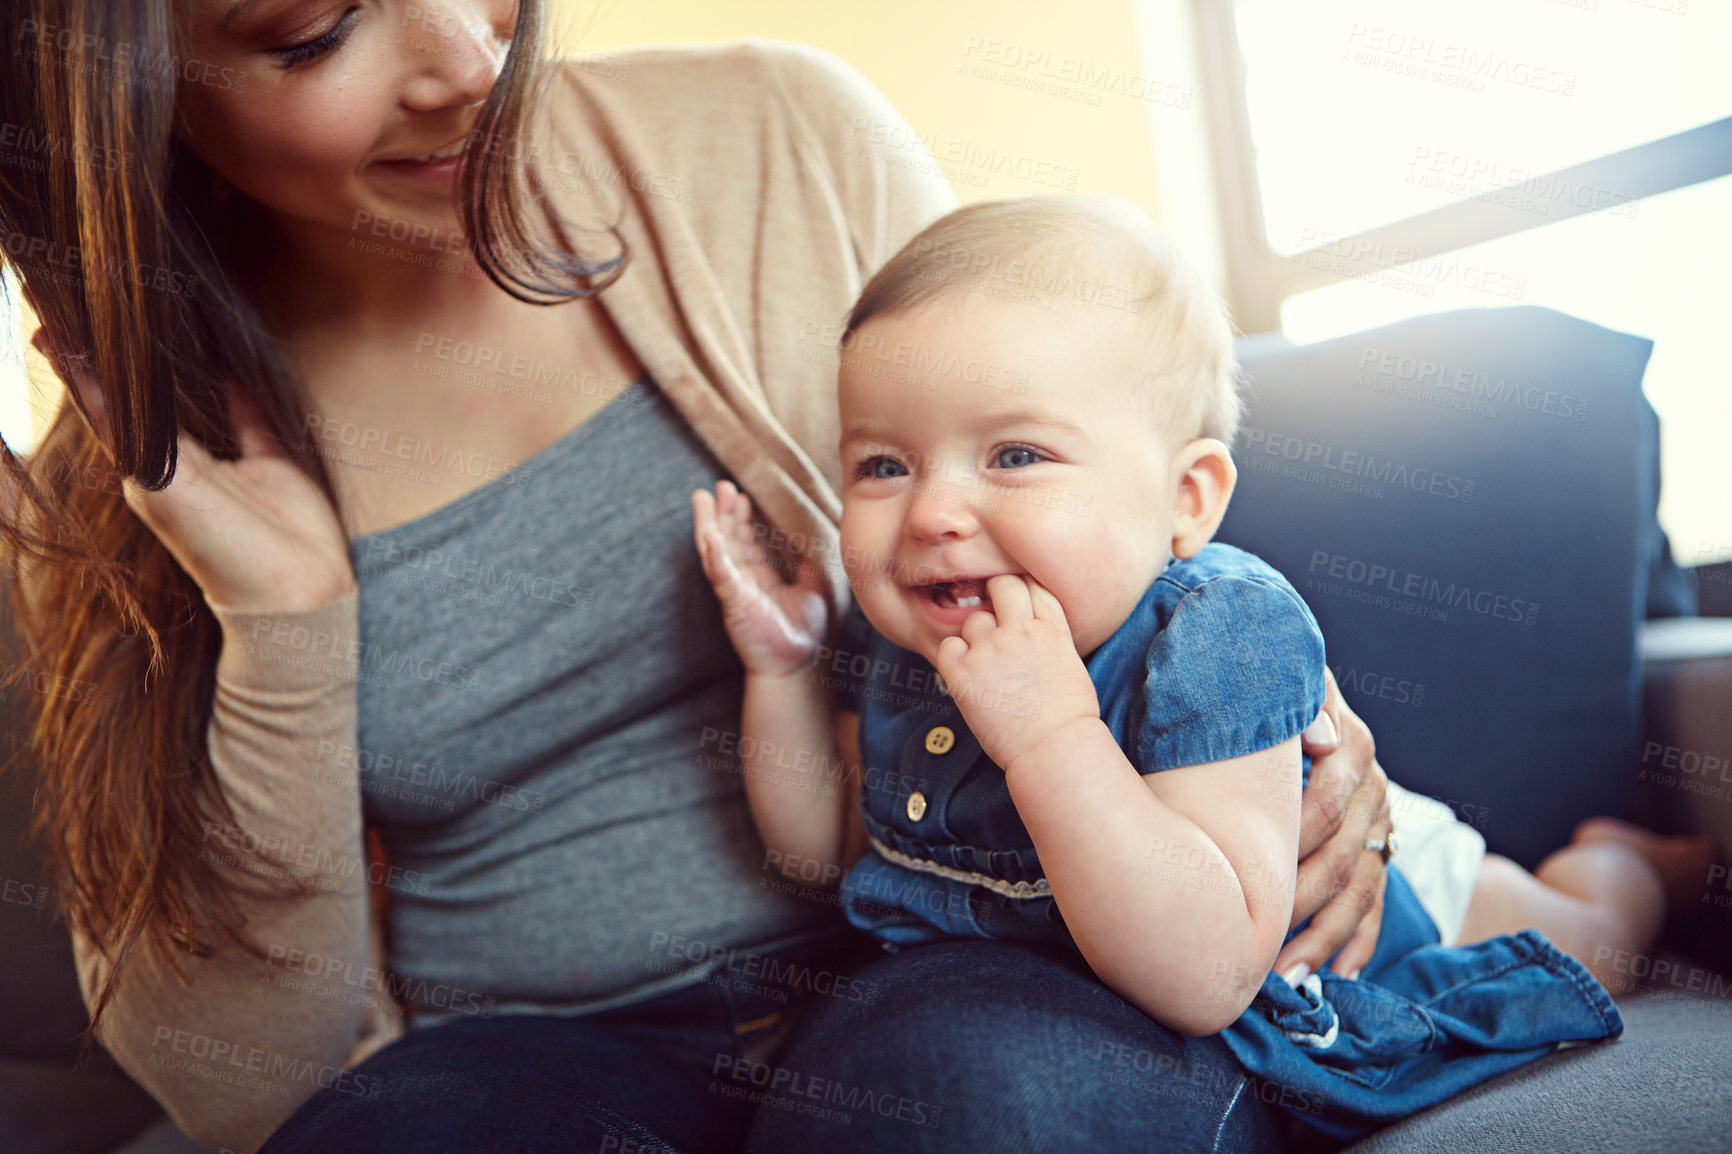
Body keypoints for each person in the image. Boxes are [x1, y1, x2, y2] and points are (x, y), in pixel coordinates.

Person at [0, 3, 1397, 1151]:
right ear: (129, 93)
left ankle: (1579, 889)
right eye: (312, 31)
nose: (469, 63)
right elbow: (238, 1081)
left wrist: (1292, 738)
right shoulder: (138, 471)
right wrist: (280, 618)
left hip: (942, 963)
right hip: (538, 1049)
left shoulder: (784, 138)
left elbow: (1088, 467)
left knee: (969, 1097)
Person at [691, 195, 1723, 1146]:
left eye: (1014, 455)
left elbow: (1205, 970)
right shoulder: (914, 643)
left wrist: (1049, 734)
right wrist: (779, 668)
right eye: (883, 464)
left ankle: (1629, 867)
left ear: (1186, 499)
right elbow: (822, 844)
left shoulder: (1218, 632)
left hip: (1379, 887)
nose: (929, 513)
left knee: (1581, 943)